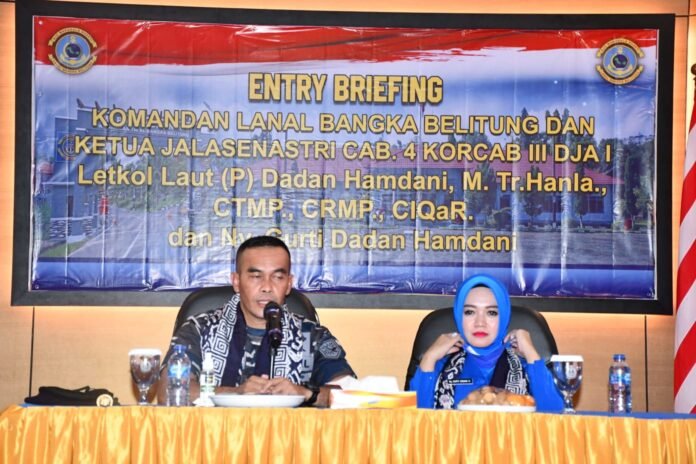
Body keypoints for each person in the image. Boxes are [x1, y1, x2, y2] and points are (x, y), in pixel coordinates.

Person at [158, 235, 355, 406]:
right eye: (256, 276)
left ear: (289, 284)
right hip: (214, 436)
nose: (266, 287)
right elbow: (168, 391)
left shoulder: (313, 336)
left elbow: (352, 394)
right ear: (236, 282)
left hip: (289, 436)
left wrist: (306, 393)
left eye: (277, 277)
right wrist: (234, 393)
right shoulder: (199, 329)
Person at [409, 274, 564, 411]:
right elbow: (413, 422)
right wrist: (428, 358)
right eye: (470, 312)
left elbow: (555, 419)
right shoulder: (441, 367)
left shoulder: (526, 367)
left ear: (504, 317)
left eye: (491, 313)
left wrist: (531, 353)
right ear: (459, 317)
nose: (480, 323)